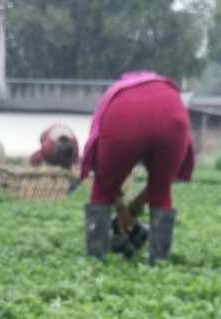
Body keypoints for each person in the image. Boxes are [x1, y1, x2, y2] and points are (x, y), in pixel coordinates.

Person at [80, 71, 195, 264]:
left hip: (124, 115)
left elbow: (105, 177)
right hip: (173, 113)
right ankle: (159, 261)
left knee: (101, 189)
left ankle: (95, 259)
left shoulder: (117, 92)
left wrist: (123, 208)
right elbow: (162, 181)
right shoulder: (165, 88)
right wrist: (129, 210)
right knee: (161, 191)